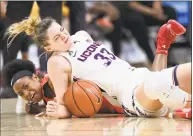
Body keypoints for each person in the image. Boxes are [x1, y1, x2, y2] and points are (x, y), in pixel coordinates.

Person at [5, 17, 191, 119]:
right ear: (48, 48)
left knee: (179, 74)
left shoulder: (82, 35)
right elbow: (64, 106)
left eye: (61, 30)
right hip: (128, 95)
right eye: (56, 38)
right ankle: (182, 103)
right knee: (157, 85)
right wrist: (54, 110)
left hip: (138, 75)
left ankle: (181, 104)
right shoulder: (57, 62)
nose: (63, 36)